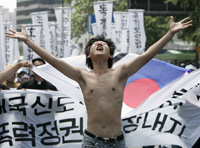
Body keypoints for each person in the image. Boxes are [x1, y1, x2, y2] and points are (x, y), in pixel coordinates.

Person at [6, 16, 192, 148]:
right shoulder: (82, 75)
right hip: (91, 142)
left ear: (110, 54)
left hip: (117, 141)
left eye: (103, 44)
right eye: (94, 44)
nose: (99, 44)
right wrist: (28, 42)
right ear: (89, 55)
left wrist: (169, 34)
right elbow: (54, 61)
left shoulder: (121, 72)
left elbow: (148, 55)